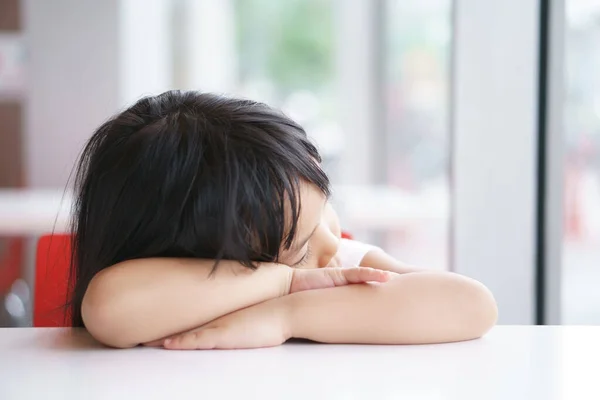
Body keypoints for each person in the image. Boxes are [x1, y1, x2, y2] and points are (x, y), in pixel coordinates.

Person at [71, 90, 497, 349]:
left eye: (325, 209)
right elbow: (108, 308)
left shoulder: (336, 258)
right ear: (195, 254)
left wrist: (286, 315)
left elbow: (472, 304)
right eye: (300, 249)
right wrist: (284, 281)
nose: (330, 243)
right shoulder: (155, 298)